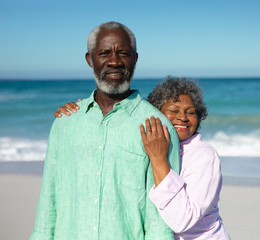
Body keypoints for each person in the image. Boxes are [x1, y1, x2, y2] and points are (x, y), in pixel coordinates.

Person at [30, 22, 180, 240]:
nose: (114, 62)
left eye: (123, 53)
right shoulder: (65, 123)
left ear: (135, 59)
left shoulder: (157, 127)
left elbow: (160, 220)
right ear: (90, 59)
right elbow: (48, 203)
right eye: (104, 53)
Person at [55, 77, 231, 239]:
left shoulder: (203, 155)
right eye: (173, 110)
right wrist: (78, 115)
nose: (182, 117)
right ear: (155, 114)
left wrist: (159, 159)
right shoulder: (147, 143)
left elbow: (182, 220)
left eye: (190, 112)